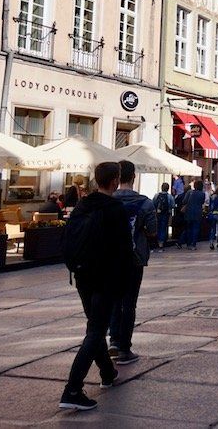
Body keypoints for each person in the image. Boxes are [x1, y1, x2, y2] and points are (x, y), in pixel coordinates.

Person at [59, 161, 133, 411]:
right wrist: (125, 280)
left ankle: (108, 373)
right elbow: (124, 249)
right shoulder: (115, 208)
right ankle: (72, 390)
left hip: (82, 275)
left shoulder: (83, 205)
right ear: (115, 181)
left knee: (95, 326)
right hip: (105, 278)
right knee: (95, 331)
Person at [109, 160, 156, 367]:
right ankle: (124, 348)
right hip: (135, 258)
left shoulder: (107, 201)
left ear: (117, 178)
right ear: (134, 177)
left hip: (110, 258)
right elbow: (152, 231)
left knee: (114, 300)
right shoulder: (145, 203)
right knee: (129, 303)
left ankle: (113, 339)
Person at [181, 180, 207, 250]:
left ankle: (188, 243)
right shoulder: (202, 194)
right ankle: (193, 244)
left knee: (188, 228)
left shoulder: (189, 192)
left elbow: (184, 201)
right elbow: (202, 202)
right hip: (198, 213)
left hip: (189, 212)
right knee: (196, 228)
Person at [151, 184, 174, 251]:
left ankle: (156, 241)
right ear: (168, 189)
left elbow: (153, 203)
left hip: (157, 214)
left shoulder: (157, 195)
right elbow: (172, 205)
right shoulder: (169, 196)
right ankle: (161, 243)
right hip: (166, 214)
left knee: (157, 227)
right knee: (163, 228)